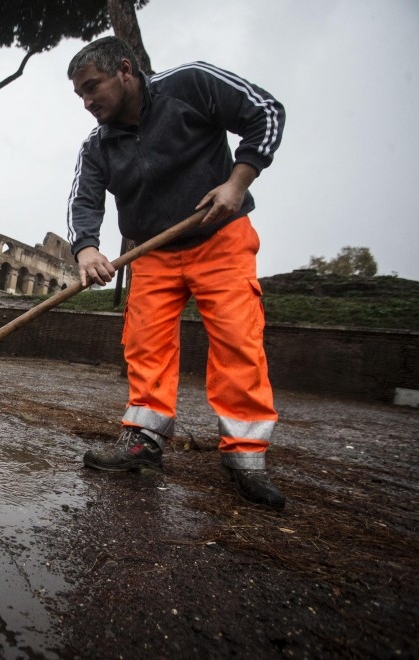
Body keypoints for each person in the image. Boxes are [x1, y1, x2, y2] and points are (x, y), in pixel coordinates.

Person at [65, 36, 286, 511]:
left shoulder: (190, 85)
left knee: (237, 342)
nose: (87, 103)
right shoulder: (98, 144)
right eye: (79, 95)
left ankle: (246, 457)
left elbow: (266, 112)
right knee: (145, 346)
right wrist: (85, 249)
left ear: (125, 69)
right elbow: (84, 199)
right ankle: (143, 442)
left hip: (221, 238)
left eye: (92, 88)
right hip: (152, 252)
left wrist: (236, 181)